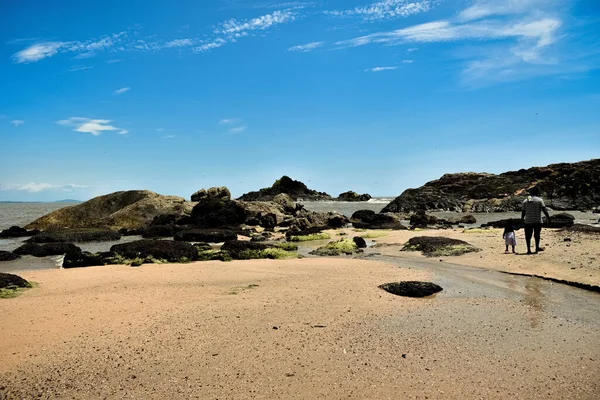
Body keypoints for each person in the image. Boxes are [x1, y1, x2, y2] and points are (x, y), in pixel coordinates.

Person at [521, 186, 551, 254]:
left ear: (530, 193)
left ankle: (528, 249)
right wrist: (548, 218)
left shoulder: (526, 200)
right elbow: (544, 210)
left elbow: (523, 211)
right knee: (537, 235)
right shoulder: (539, 200)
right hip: (537, 221)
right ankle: (536, 248)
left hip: (528, 221)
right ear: (537, 192)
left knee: (528, 236)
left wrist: (522, 219)